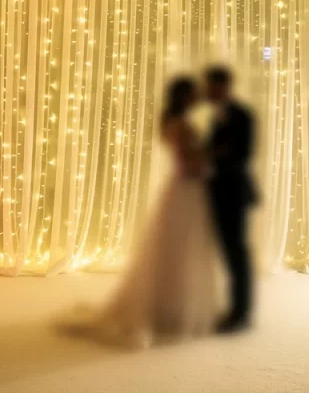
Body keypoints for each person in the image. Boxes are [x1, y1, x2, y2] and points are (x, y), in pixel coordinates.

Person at [60, 77, 218, 348]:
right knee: (180, 248)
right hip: (186, 190)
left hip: (182, 190)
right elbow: (188, 162)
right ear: (184, 96)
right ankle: (171, 309)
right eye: (193, 94)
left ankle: (172, 306)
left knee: (177, 249)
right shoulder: (181, 124)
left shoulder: (174, 121)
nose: (198, 97)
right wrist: (211, 160)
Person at [204, 66, 256, 333]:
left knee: (236, 252)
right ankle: (237, 309)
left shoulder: (242, 115)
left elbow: (243, 154)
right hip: (218, 192)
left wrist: (214, 155)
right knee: (229, 251)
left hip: (233, 192)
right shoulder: (216, 116)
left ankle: (240, 312)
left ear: (223, 86)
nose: (208, 91)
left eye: (211, 86)